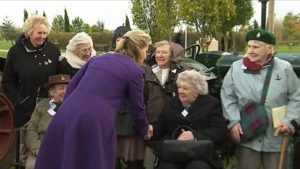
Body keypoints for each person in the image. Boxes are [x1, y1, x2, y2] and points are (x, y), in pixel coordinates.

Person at [35, 29, 152, 169]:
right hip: (97, 120)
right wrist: (144, 129)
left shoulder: (97, 59)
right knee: (91, 161)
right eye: (146, 50)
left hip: (68, 110)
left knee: (64, 156)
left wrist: (66, 108)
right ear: (139, 48)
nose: (146, 54)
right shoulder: (135, 71)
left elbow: (72, 85)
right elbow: (137, 107)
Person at [221, 29, 300, 169]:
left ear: (269, 49)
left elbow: (296, 96)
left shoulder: (284, 68)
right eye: (249, 46)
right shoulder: (236, 68)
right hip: (248, 134)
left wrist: (289, 122)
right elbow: (228, 97)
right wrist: (233, 122)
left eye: (256, 47)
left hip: (276, 135)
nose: (250, 50)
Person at [0, 15, 60, 168]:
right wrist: (20, 99)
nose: (42, 37)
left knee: (48, 143)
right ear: (29, 32)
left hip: (49, 108)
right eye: (39, 33)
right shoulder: (15, 52)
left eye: (45, 33)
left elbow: (60, 78)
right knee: (25, 149)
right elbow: (7, 82)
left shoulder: (53, 50)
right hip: (26, 108)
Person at [149, 69, 227, 169]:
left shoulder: (211, 104)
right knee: (167, 166)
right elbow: (161, 125)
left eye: (185, 88)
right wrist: (152, 130)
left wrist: (194, 135)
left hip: (200, 153)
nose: (180, 91)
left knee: (197, 167)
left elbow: (219, 131)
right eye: (179, 87)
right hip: (174, 151)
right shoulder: (172, 103)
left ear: (197, 90)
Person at [143, 40, 188, 169]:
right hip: (152, 121)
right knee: (150, 160)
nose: (160, 55)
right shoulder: (148, 72)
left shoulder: (180, 72)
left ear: (172, 55)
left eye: (164, 52)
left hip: (172, 123)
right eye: (157, 52)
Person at [111, 26, 145, 169]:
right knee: (112, 156)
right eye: (118, 40)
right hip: (113, 116)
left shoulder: (139, 67)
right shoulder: (110, 61)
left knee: (132, 157)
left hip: (131, 117)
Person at [24, 74, 70, 169]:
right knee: (32, 166)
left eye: (68, 88)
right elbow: (31, 129)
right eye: (61, 88)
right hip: (42, 145)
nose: (65, 91)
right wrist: (37, 148)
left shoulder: (74, 106)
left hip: (66, 147)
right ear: (51, 91)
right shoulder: (41, 106)